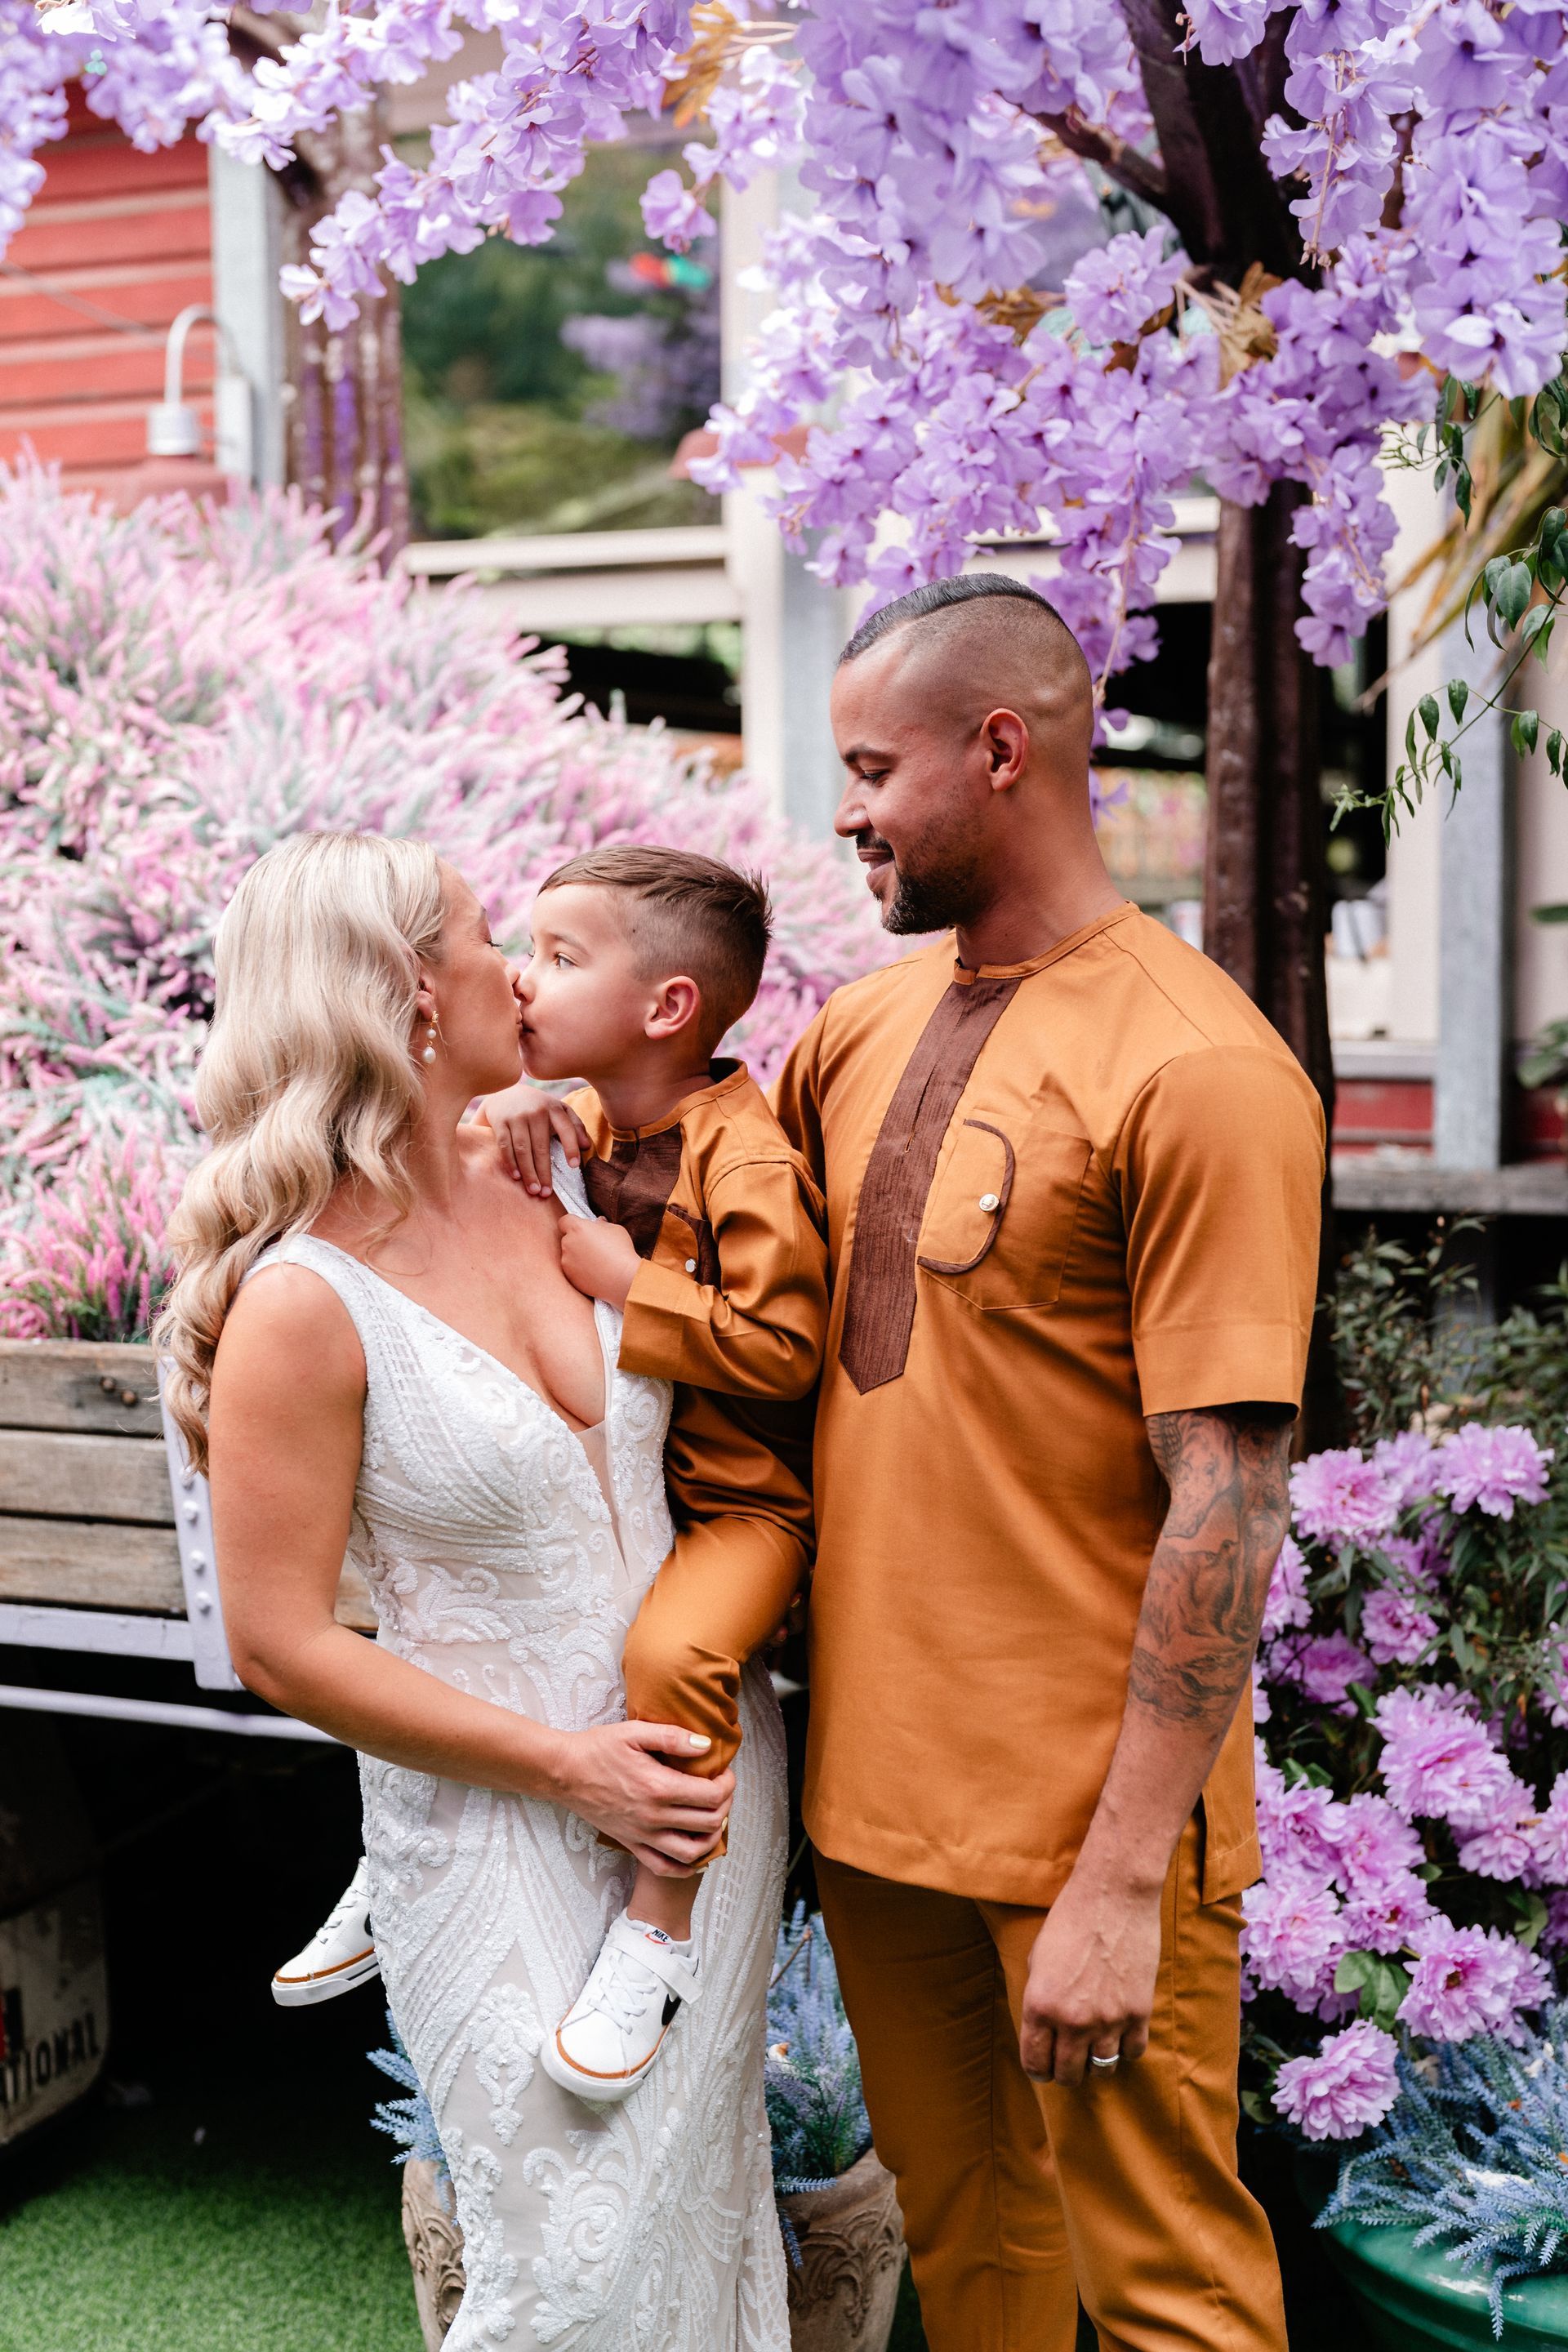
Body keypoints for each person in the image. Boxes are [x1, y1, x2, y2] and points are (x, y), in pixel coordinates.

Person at [769, 574, 1325, 2352]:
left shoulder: (1198, 1065)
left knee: (1168, 2291)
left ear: (1001, 751)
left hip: (1087, 1832)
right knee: (973, 2251)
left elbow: (1229, 1499)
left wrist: (1113, 1884)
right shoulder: (855, 1032)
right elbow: (739, 1287)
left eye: (872, 768)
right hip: (875, 1808)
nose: (844, 813)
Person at [157, 831, 791, 2352]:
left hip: (706, 1798)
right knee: (562, 2281)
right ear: (405, 996)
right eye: (488, 934)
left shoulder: (564, 1169)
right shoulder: (302, 1303)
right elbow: (281, 1644)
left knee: (705, 2226)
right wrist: (576, 1769)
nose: (520, 965)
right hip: (501, 1824)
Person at [492, 844, 826, 2098]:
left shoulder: (747, 1164)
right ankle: (415, 1844)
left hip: (735, 1505)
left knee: (673, 1658)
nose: (525, 982)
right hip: (603, 1481)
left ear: (667, 1007)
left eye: (559, 958)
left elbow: (790, 1351)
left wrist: (638, 1287)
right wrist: (492, 1107)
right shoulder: (578, 1117)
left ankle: (658, 1930)